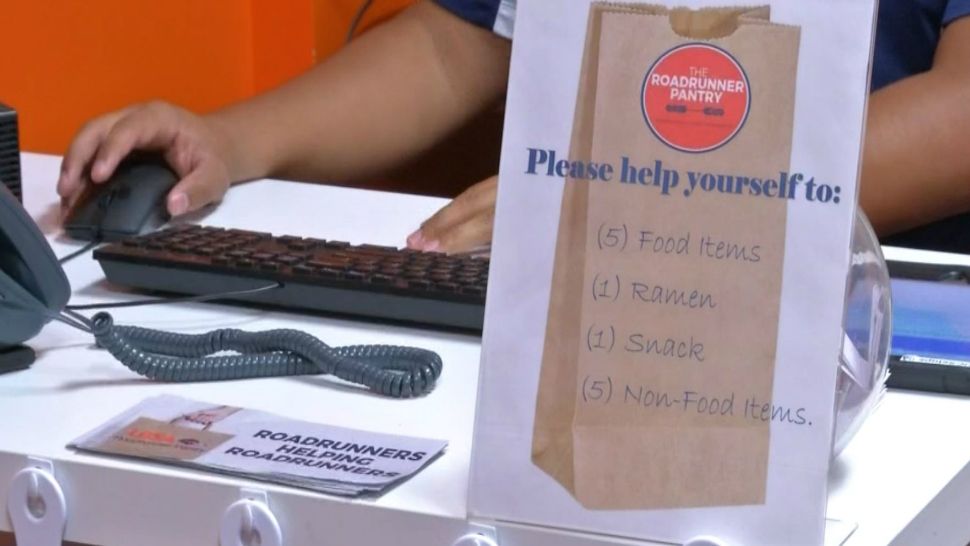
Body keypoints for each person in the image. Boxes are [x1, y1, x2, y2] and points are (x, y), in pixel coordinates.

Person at [58, 0, 970, 254]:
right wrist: (226, 141)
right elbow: (459, 46)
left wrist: (640, 194)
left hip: (876, 308)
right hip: (584, 291)